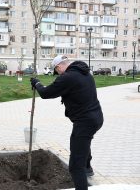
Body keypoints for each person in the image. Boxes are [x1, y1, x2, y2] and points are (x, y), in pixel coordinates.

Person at [30, 55, 103, 190]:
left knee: (75, 166)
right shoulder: (84, 72)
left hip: (85, 122)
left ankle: (83, 171)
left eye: (56, 71)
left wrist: (37, 83)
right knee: (84, 142)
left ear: (58, 67)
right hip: (96, 117)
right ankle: (88, 167)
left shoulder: (68, 77)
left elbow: (46, 93)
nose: (57, 74)